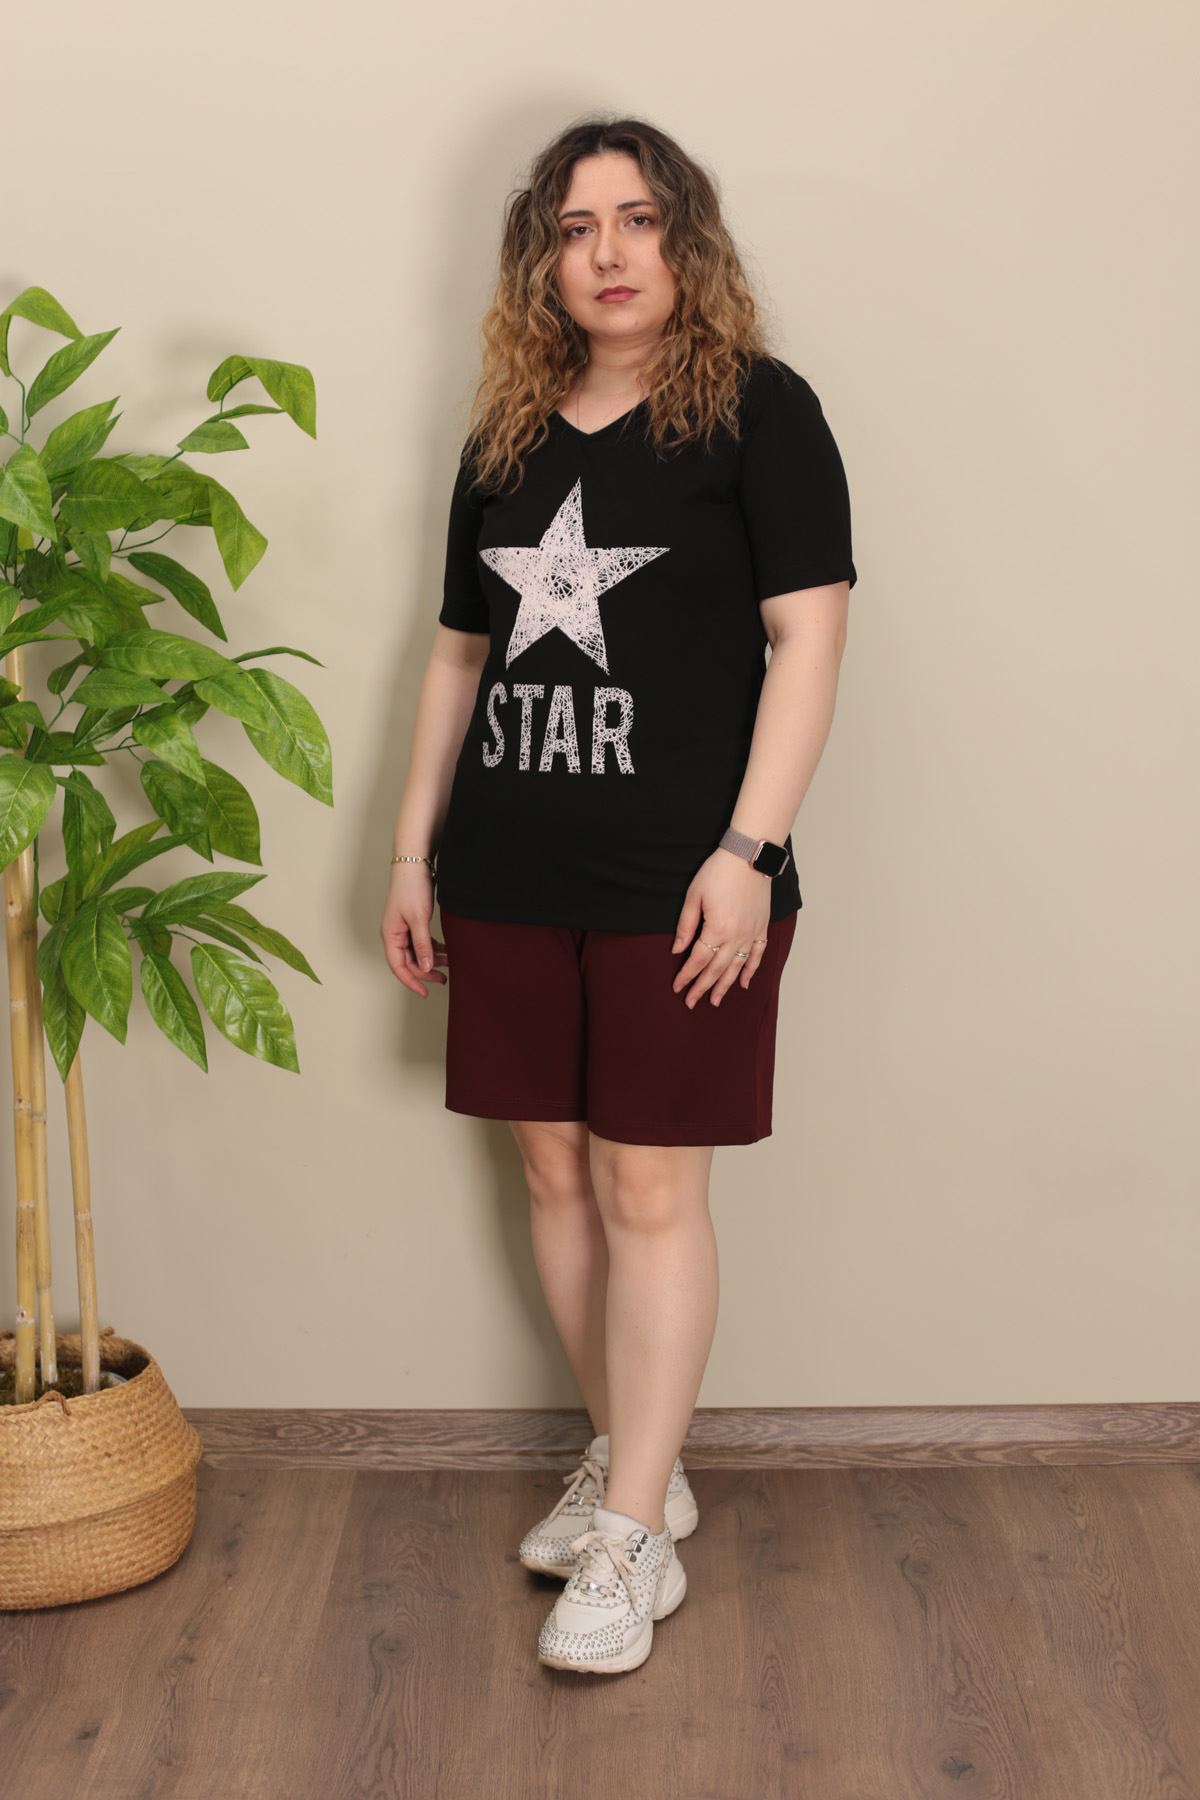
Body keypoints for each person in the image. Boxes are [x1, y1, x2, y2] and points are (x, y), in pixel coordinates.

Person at [380, 114, 857, 1677]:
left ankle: (635, 1531)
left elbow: (810, 640)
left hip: (682, 882)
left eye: (640, 220)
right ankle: (631, 1465)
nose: (608, 253)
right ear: (542, 260)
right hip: (509, 871)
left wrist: (751, 854)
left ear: (686, 242)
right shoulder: (506, 440)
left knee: (654, 1192)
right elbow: (459, 655)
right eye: (576, 227)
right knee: (557, 1180)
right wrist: (413, 853)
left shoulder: (761, 413)